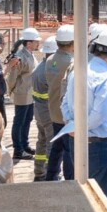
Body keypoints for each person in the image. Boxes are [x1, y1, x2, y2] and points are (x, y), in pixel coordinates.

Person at [61, 28, 107, 204]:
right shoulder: (106, 78)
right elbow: (100, 116)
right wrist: (79, 128)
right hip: (100, 146)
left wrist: (72, 126)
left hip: (76, 141)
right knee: (104, 201)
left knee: (84, 196)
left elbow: (64, 103)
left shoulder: (77, 71)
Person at [45, 25, 75, 181]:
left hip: (53, 111)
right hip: (66, 113)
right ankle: (71, 180)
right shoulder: (71, 62)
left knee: (56, 149)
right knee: (69, 150)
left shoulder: (50, 60)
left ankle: (51, 176)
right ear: (72, 43)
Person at [6, 28, 41, 160]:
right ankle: (18, 150)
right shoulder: (20, 57)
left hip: (29, 94)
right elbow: (12, 78)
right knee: (19, 121)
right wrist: (13, 91)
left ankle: (24, 145)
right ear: (29, 43)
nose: (38, 44)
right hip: (22, 93)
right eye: (36, 41)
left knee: (27, 120)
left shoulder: (29, 54)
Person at [31, 36, 58, 181]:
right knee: (51, 143)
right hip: (48, 112)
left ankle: (39, 171)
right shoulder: (48, 70)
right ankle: (50, 175)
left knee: (41, 141)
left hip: (39, 111)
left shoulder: (39, 68)